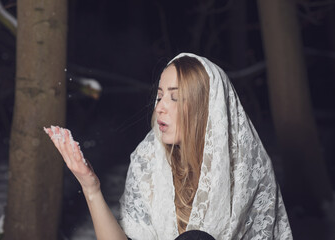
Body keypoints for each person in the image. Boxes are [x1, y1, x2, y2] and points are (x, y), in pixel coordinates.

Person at [44, 53, 292, 240]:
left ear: (205, 107)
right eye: (160, 95)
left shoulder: (244, 169)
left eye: (174, 97)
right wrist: (91, 188)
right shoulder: (149, 163)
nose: (160, 106)